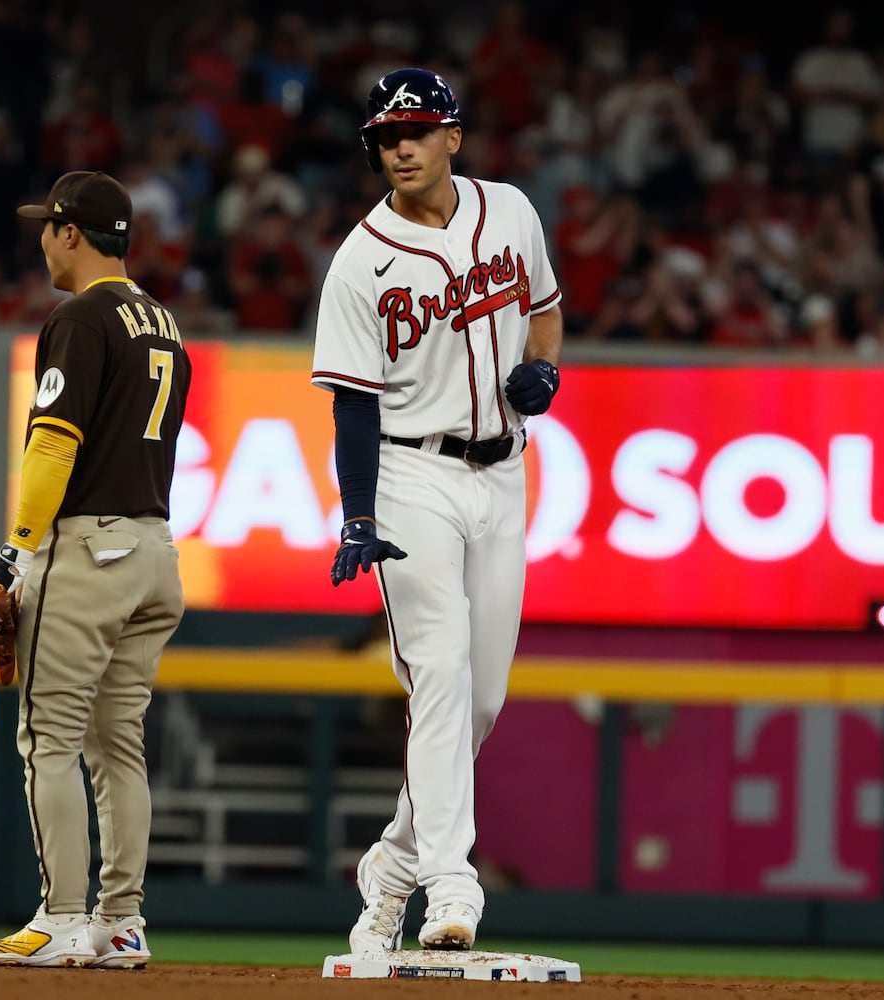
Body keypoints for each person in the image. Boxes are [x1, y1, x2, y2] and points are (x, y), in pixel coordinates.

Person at [310, 68, 563, 953]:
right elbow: (350, 402)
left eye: (416, 128)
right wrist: (357, 513)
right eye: (386, 136)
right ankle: (453, 885)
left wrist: (548, 373)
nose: (402, 146)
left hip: (503, 473)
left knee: (481, 700)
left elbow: (546, 311)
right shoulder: (360, 259)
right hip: (409, 474)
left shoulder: (513, 213)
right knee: (442, 677)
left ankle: (390, 863)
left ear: (454, 135)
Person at [0, 170, 191, 968]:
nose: (41, 241)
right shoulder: (162, 321)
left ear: (70, 232)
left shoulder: (79, 317)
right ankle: (121, 923)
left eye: (47, 227)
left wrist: (14, 552)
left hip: (89, 550)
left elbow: (54, 444)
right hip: (157, 553)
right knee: (117, 745)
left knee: (48, 740)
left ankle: (62, 918)